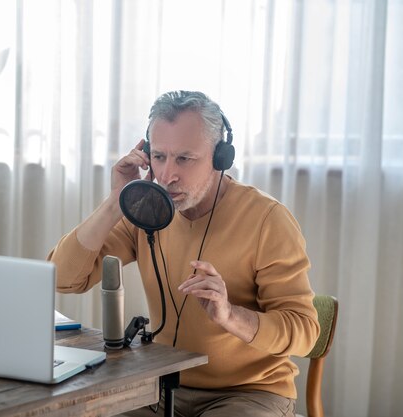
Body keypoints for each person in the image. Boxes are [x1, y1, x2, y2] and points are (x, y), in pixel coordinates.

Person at [47, 90, 320, 417]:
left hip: (249, 392)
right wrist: (115, 202)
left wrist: (230, 315)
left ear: (220, 158)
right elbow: (63, 279)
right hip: (159, 385)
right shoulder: (148, 208)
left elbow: (305, 332)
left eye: (184, 159)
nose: (167, 175)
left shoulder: (267, 220)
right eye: (159, 157)